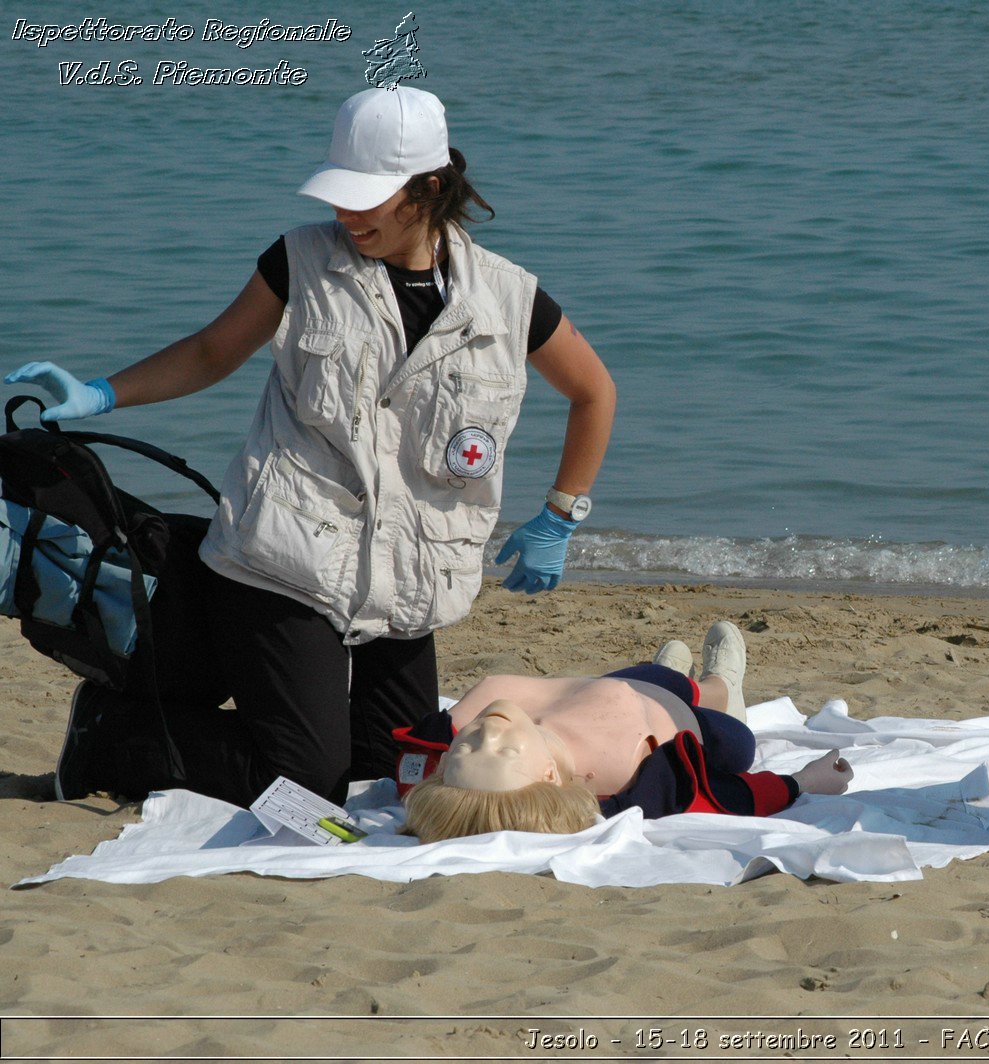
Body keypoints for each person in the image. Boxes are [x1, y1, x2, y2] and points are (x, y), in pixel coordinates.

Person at [16, 86, 616, 806]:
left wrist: (560, 515)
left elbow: (594, 393)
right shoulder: (300, 261)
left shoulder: (508, 297)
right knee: (307, 786)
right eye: (340, 193)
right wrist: (103, 392)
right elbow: (212, 352)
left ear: (427, 188)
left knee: (395, 778)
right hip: (285, 564)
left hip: (409, 584)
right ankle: (113, 734)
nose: (345, 213)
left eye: (366, 196)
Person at [398, 622, 854, 843]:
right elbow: (713, 798)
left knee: (661, 675)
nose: (485, 733)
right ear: (550, 778)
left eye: (467, 746)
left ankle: (679, 678)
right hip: (685, 726)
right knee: (739, 743)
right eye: (498, 753)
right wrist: (804, 782)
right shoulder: (612, 778)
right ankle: (721, 688)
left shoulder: (452, 734)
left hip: (608, 688)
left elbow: (412, 769)